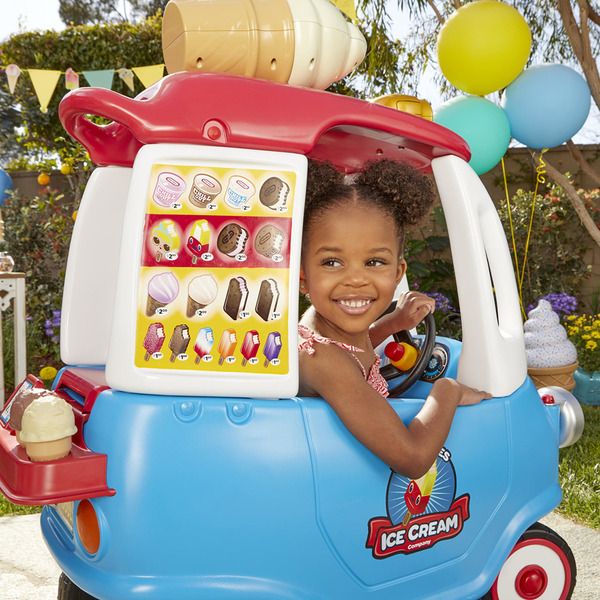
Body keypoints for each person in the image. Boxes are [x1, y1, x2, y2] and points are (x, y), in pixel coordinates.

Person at [298, 159, 491, 479]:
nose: (356, 279)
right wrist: (448, 390)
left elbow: (350, 351)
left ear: (398, 272)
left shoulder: (322, 328)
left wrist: (392, 325)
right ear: (302, 276)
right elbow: (413, 459)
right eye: (332, 262)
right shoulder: (321, 359)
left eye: (374, 262)